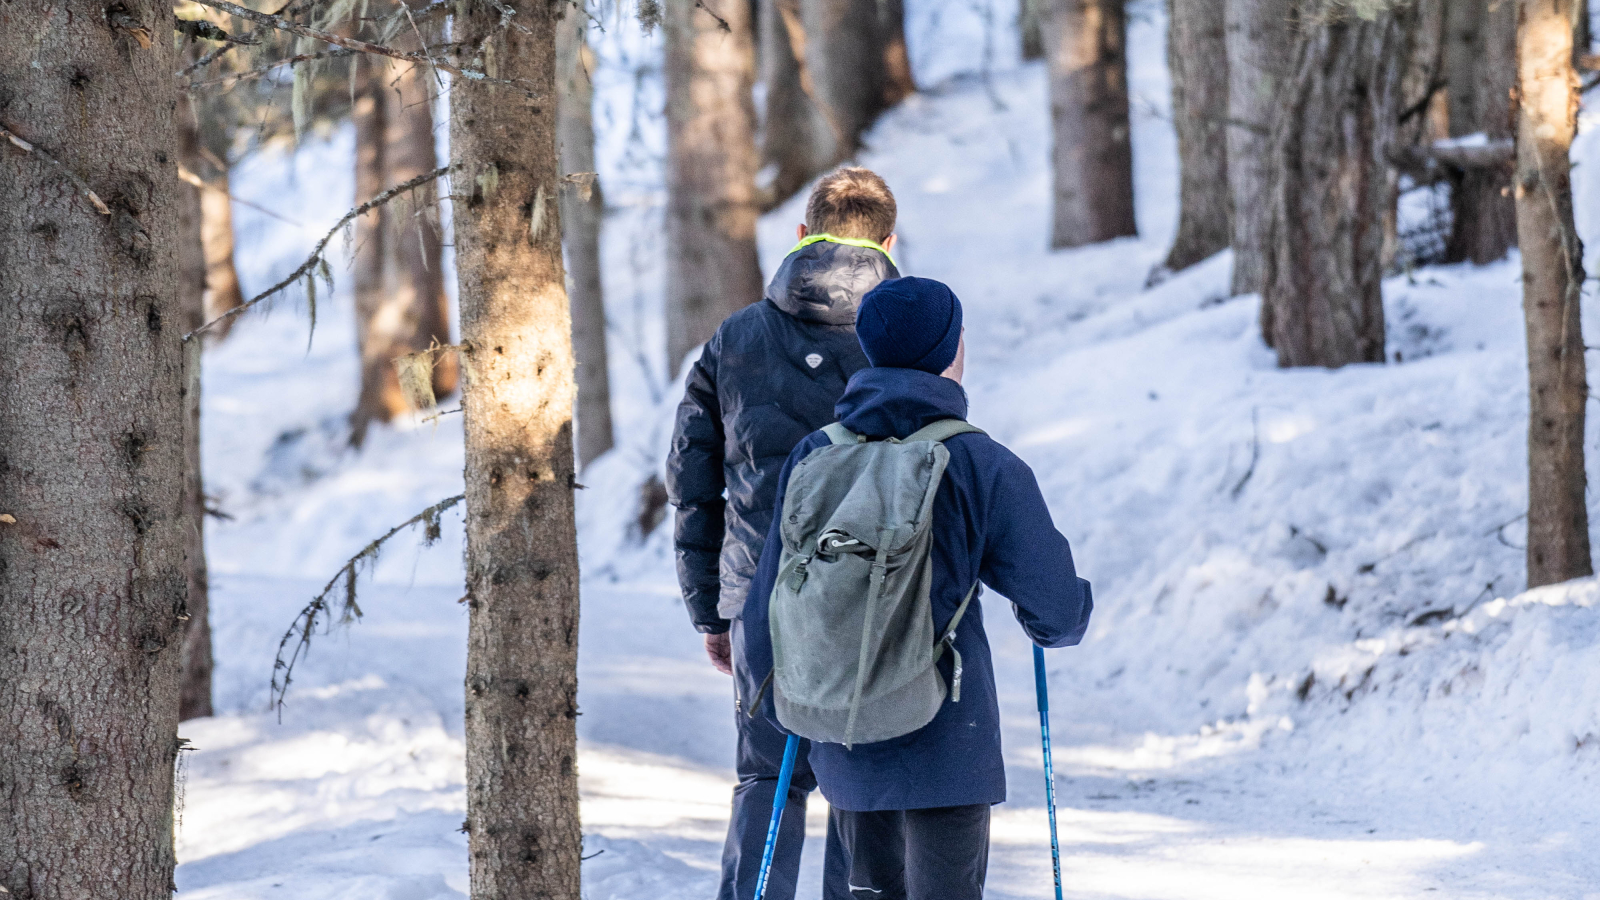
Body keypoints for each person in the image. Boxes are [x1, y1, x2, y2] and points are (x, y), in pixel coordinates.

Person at [738, 276, 1094, 900]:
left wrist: (783, 703)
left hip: (843, 727)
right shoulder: (984, 463)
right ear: (953, 348)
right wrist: (1052, 622)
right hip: (948, 739)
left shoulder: (816, 455)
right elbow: (1058, 610)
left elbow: (771, 596)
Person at [666, 167, 903, 900]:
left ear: (803, 236)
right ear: (891, 242)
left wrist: (713, 609)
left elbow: (693, 484)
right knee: (860, 782)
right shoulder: (911, 339)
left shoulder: (735, 338)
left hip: (761, 599)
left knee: (768, 780)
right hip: (875, 600)